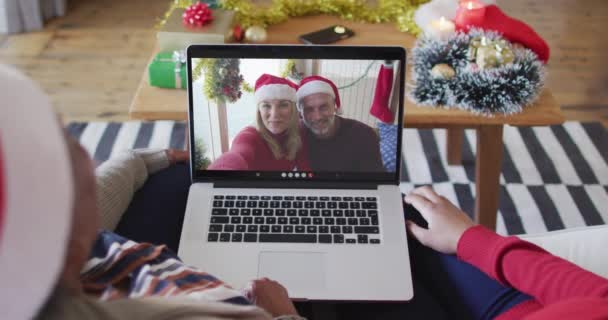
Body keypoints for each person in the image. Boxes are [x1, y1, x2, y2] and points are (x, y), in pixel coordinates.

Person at [0, 64, 305, 320]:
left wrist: (135, 160)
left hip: (134, 253)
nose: (86, 153)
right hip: (237, 289)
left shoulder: (43, 259)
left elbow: (97, 195)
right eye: (64, 142)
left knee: (172, 170)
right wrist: (283, 315)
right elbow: (236, 157)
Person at [208, 74, 310, 171]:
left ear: (293, 109)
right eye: (266, 105)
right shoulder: (249, 137)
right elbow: (237, 154)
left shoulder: (298, 131)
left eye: (283, 105)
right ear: (259, 110)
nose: (274, 114)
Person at [295, 75, 385, 172]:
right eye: (309, 109)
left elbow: (374, 181)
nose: (318, 117)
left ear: (334, 106)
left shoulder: (363, 135)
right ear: (300, 113)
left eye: (324, 107)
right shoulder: (294, 137)